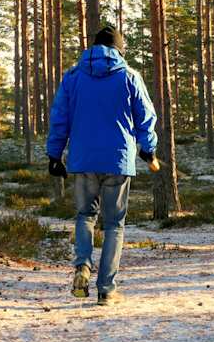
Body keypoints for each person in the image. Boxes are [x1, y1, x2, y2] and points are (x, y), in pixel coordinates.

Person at [47, 26, 159, 306]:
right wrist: (149, 150)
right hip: (117, 160)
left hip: (83, 159)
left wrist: (54, 155)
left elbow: (60, 117)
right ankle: (106, 290)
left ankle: (82, 267)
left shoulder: (73, 76)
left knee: (85, 216)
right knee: (114, 225)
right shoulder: (129, 76)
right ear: (119, 50)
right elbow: (146, 117)